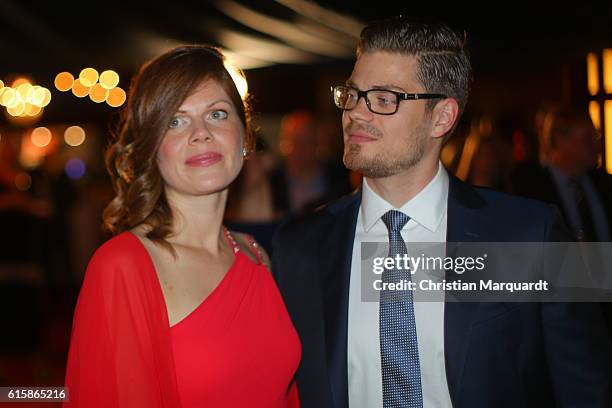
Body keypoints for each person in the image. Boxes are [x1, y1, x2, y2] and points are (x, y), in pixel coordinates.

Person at [272, 17, 612, 408]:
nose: (355, 114)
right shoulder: (300, 248)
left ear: (442, 117)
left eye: (383, 99)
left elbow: (589, 386)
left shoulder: (532, 231)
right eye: (352, 94)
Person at [64, 45, 300, 407]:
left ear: (245, 136)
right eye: (175, 121)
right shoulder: (123, 266)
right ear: (151, 148)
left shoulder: (255, 255)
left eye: (217, 114)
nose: (200, 133)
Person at [511, 107, 612, 242]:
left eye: (596, 136)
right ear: (561, 140)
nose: (598, 144)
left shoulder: (605, 183)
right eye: (588, 138)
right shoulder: (531, 190)